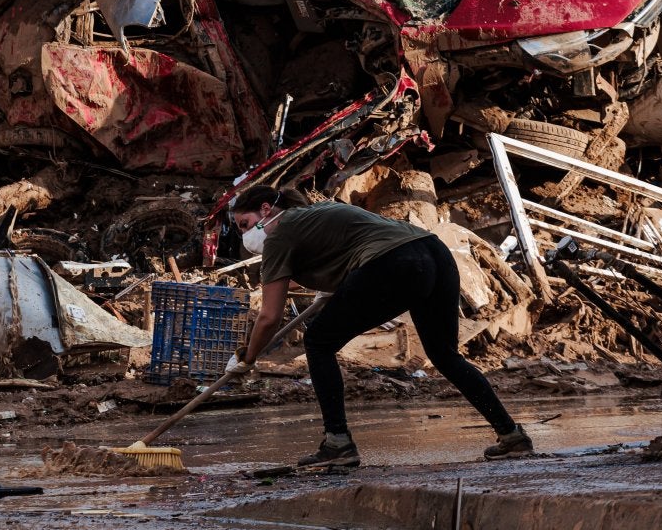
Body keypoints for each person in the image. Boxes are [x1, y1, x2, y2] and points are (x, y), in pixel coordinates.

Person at [226, 185, 531, 468]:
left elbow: (269, 316)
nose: (244, 235)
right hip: (433, 253)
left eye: (244, 224)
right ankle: (511, 435)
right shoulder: (312, 216)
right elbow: (346, 251)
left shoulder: (280, 233)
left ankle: (337, 443)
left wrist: (247, 358)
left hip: (394, 263)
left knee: (318, 342)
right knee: (444, 355)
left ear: (265, 210)